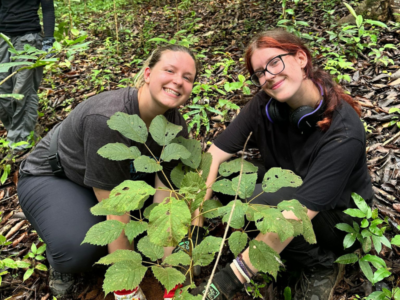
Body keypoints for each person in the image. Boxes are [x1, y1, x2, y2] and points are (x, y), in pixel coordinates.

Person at [191, 29, 373, 300]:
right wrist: (196, 223)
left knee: (256, 203)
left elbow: (298, 214)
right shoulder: (267, 104)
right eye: (260, 72)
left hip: (338, 219)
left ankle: (322, 265)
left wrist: (228, 280)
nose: (268, 76)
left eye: (275, 62)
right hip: (293, 188)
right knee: (228, 178)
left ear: (301, 58)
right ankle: (279, 246)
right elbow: (215, 154)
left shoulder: (343, 132)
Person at [17, 44, 201, 299]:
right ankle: (60, 262)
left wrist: (173, 277)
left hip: (119, 175)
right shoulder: (107, 119)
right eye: (169, 70)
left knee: (162, 227)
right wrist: (127, 290)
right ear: (148, 74)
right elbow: (117, 215)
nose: (177, 81)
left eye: (187, 77)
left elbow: (166, 200)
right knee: (80, 249)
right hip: (57, 176)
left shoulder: (175, 127)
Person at [0, 0, 55, 152]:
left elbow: (48, 9)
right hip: (2, 38)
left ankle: (20, 144)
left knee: (22, 91)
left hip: (28, 38)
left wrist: (48, 40)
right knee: (2, 93)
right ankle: (19, 130)